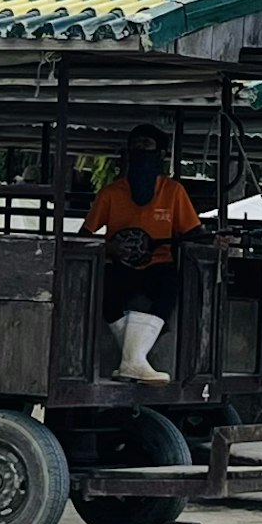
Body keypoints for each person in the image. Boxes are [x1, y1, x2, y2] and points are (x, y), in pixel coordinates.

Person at [80, 124, 198, 383]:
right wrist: (109, 247)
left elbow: (192, 232)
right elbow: (85, 234)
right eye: (136, 147)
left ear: (161, 155)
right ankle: (134, 361)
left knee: (169, 287)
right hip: (118, 266)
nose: (140, 153)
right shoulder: (111, 193)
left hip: (159, 264)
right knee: (104, 293)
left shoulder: (174, 191)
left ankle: (132, 360)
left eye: (147, 147)